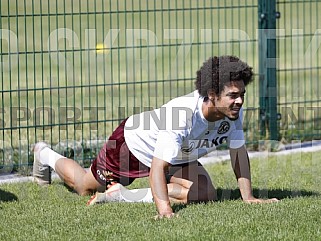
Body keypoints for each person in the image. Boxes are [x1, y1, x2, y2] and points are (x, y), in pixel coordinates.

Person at [33, 55, 279, 219]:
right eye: (233, 95)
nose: (239, 101)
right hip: (131, 146)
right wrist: (165, 211)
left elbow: (238, 152)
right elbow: (157, 168)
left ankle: (121, 195)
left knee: (205, 194)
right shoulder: (181, 114)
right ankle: (44, 154)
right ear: (212, 94)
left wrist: (248, 197)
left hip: (179, 154)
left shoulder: (233, 111)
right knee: (83, 186)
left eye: (242, 94)